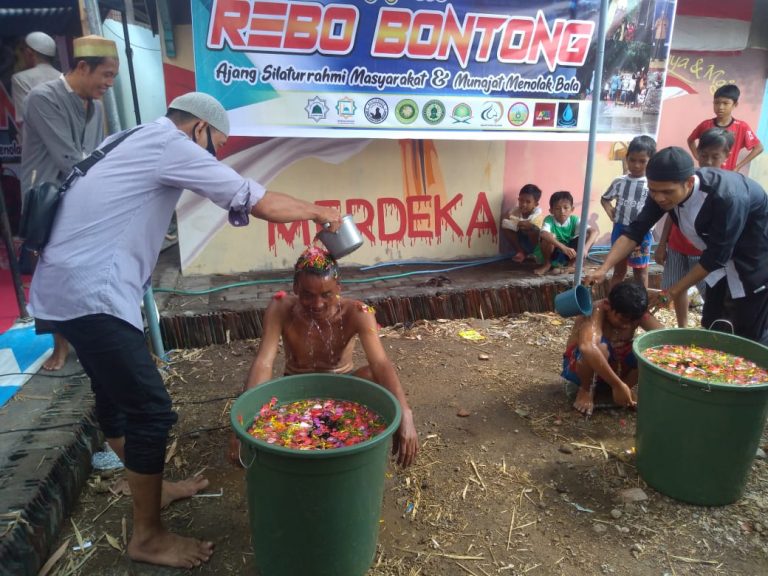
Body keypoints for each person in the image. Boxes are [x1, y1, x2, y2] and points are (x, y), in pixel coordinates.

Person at [28, 92, 342, 569]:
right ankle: (148, 536)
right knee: (152, 410)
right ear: (198, 128)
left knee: (113, 393)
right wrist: (319, 212)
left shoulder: (129, 135)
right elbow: (257, 200)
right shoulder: (170, 144)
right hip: (93, 291)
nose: (209, 156)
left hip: (68, 285)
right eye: (213, 145)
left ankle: (154, 488)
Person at [230, 246, 418, 468]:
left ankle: (378, 443)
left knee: (375, 377)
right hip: (294, 387)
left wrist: (404, 412)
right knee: (254, 388)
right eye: (307, 295)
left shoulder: (358, 313)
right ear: (295, 288)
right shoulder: (280, 307)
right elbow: (264, 361)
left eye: (326, 294)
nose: (317, 304)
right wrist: (240, 427)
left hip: (343, 385)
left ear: (339, 287)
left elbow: (380, 363)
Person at [585, 146, 768, 345]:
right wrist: (604, 268)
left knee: (750, 331)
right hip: (719, 265)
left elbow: (715, 256)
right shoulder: (661, 190)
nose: (659, 198)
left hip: (754, 262)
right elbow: (635, 232)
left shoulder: (727, 197)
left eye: (666, 192)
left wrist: (672, 292)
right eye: (653, 191)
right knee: (713, 322)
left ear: (689, 182)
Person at [21, 34, 119, 371]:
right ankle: (59, 346)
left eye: (113, 77)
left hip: (79, 195)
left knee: (82, 268)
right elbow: (68, 156)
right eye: (106, 75)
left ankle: (86, 336)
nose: (109, 84)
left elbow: (94, 155)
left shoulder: (96, 104)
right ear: (81, 66)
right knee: (50, 271)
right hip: (45, 198)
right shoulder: (42, 97)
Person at [655, 129, 734, 327]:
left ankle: (716, 325)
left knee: (712, 293)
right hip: (677, 245)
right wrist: (662, 243)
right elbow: (671, 213)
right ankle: (682, 327)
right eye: (703, 156)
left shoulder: (724, 190)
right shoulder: (687, 180)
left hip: (704, 253)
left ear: (726, 156)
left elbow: (719, 245)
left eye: (714, 157)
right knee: (676, 287)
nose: (708, 161)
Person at [562, 282, 663, 416]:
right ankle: (585, 390)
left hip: (615, 367)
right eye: (622, 319)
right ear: (608, 305)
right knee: (599, 347)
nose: (627, 326)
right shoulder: (596, 310)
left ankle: (625, 389)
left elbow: (664, 337)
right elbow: (587, 347)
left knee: (649, 349)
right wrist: (617, 385)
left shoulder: (635, 313)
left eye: (632, 322)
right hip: (581, 369)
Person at [600, 135, 656, 289]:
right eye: (632, 160)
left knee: (641, 272)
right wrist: (609, 210)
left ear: (651, 161)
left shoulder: (652, 184)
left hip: (642, 233)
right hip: (620, 230)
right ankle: (612, 303)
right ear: (626, 158)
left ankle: (641, 306)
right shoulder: (620, 181)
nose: (636, 165)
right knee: (619, 271)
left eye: (642, 161)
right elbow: (605, 199)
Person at [686, 84, 763, 172]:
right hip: (706, 172)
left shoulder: (742, 127)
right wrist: (697, 156)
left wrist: (738, 166)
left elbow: (758, 148)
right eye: (717, 103)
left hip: (728, 174)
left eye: (725, 103)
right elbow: (690, 140)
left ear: (735, 105)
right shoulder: (705, 124)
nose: (720, 107)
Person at [534, 191, 597, 276]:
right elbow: (543, 234)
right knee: (548, 237)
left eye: (566, 207)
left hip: (570, 254)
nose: (562, 211)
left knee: (587, 236)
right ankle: (547, 264)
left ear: (572, 209)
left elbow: (594, 232)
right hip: (553, 252)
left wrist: (585, 249)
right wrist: (563, 247)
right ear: (551, 210)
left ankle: (571, 265)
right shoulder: (549, 220)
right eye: (557, 208)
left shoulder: (575, 220)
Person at [11, 31, 59, 135]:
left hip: (37, 146)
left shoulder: (20, 79)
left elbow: (24, 120)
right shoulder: (64, 77)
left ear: (29, 53)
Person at [501, 184, 544, 263]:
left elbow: (530, 226)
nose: (523, 204)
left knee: (531, 229)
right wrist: (517, 223)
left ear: (535, 204)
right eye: (521, 200)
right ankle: (521, 252)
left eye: (528, 202)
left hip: (536, 245)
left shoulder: (537, 214)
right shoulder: (515, 210)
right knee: (505, 226)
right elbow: (505, 220)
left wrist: (519, 223)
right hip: (522, 242)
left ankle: (535, 254)